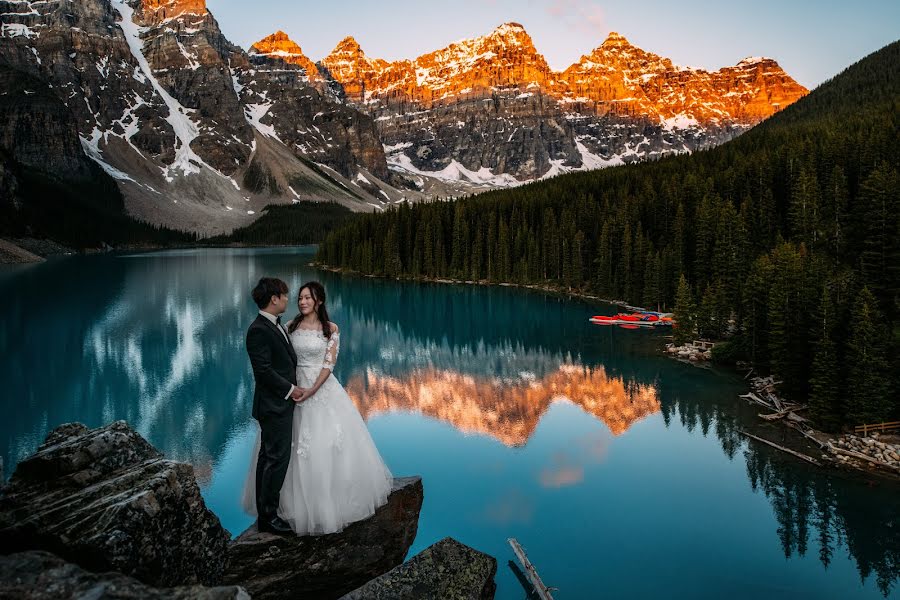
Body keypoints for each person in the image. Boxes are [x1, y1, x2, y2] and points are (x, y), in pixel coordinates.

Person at [242, 281, 393, 535]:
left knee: (323, 447)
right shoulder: (288, 326)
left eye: (306, 298)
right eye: (298, 298)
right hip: (289, 393)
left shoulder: (330, 329)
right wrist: (294, 389)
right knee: (282, 453)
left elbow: (328, 364)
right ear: (277, 299)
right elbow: (273, 365)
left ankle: (322, 505)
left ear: (318, 301)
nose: (301, 302)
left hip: (318, 390)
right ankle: (274, 510)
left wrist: (312, 389)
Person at [245, 277, 303, 535]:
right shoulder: (258, 329)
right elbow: (263, 371)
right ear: (274, 299)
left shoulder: (275, 325)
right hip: (274, 405)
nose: (288, 299)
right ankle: (269, 517)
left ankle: (266, 512)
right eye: (285, 295)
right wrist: (290, 390)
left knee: (268, 458)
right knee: (276, 459)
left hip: (275, 405)